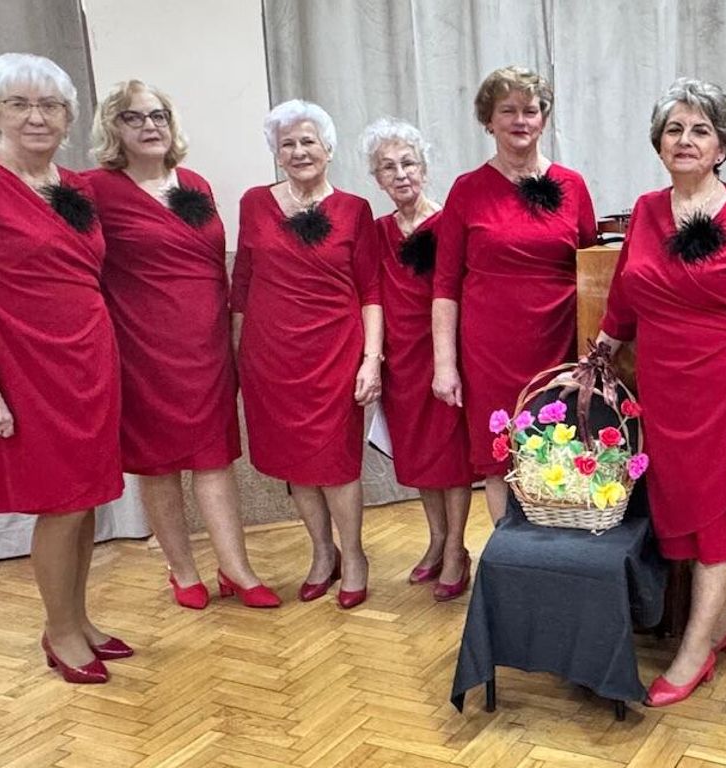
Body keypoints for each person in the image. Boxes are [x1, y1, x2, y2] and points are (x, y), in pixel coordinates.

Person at [597, 78, 726, 708]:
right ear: (659, 143)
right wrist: (596, 357)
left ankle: (694, 649)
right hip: (665, 391)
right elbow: (624, 298)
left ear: (722, 147)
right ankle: (720, 621)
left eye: (700, 130)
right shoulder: (646, 210)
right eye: (674, 129)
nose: (685, 140)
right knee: (682, 516)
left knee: (720, 524)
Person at [0, 53, 127, 682]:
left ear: (69, 116)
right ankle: (60, 632)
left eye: (50, 105)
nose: (36, 117)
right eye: (19, 104)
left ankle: (79, 618)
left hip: (89, 361)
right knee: (61, 504)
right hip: (26, 370)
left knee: (88, 499)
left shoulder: (76, 186)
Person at [85, 80, 279, 610]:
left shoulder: (194, 183)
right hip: (141, 349)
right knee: (158, 464)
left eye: (158, 115)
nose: (149, 126)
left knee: (215, 459)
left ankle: (236, 568)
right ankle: (182, 570)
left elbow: (214, 265)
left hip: (207, 345)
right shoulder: (94, 189)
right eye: (133, 117)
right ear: (113, 127)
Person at [232, 99, 383, 609]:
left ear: (328, 149)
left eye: (308, 141)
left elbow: (371, 291)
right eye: (287, 143)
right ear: (276, 152)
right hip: (271, 357)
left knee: (336, 463)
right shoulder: (255, 203)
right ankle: (322, 553)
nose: (298, 151)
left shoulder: (354, 209)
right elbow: (242, 283)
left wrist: (372, 359)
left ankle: (355, 556)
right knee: (295, 463)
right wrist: (237, 356)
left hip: (336, 355)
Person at [431, 66, 597, 525]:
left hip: (559, 346)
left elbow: (591, 271)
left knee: (561, 450)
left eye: (530, 110)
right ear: (489, 121)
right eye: (507, 111)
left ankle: (554, 552)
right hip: (490, 351)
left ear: (544, 119)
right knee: (499, 458)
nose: (520, 120)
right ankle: (509, 551)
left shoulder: (573, 185)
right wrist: (444, 364)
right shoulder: (467, 189)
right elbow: (445, 284)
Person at [361, 117, 476, 601]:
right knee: (418, 456)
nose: (401, 173)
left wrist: (450, 359)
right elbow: (371, 293)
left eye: (408, 163)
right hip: (401, 360)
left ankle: (456, 549)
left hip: (442, 353)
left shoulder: (449, 223)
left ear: (425, 169)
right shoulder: (377, 231)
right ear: (377, 179)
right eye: (388, 167)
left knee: (450, 457)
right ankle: (436, 539)